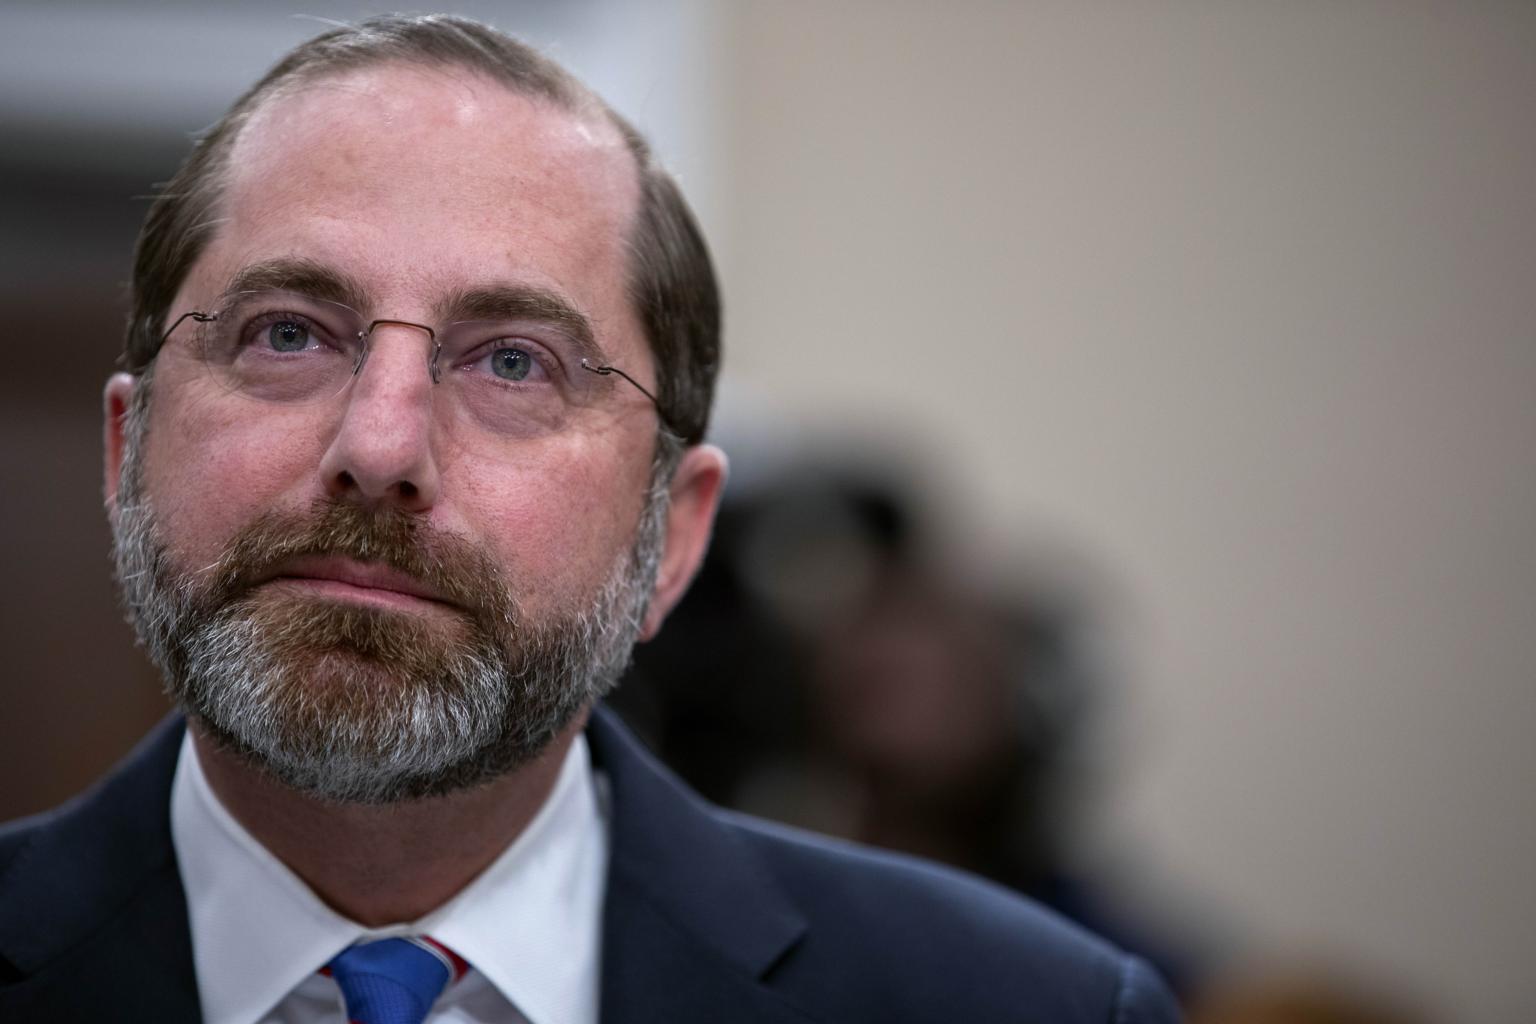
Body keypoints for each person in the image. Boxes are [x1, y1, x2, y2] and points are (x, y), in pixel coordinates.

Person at [0, 15, 1179, 1023]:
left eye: (514, 361)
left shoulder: (1035, 1007)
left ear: (673, 534)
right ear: (126, 450)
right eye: (288, 333)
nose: (380, 447)